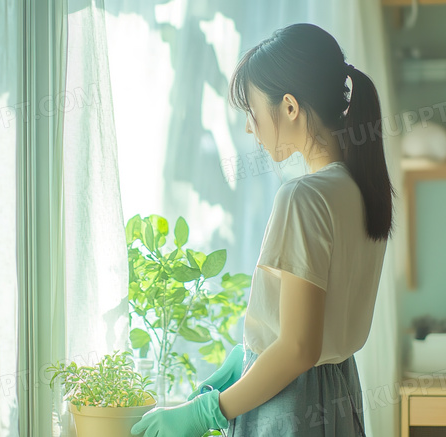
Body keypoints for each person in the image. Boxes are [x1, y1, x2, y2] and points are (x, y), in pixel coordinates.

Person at [130, 22, 394, 437]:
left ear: (289, 107)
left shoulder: (304, 197)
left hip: (291, 403)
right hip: (339, 393)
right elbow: (313, 333)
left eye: (252, 111)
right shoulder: (362, 190)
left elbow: (298, 349)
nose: (251, 128)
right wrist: (250, 355)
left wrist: (205, 412)